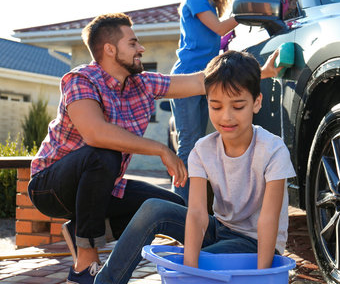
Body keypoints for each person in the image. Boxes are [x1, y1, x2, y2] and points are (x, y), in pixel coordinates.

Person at [27, 14, 280, 284]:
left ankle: (81, 229)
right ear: (110, 49)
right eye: (133, 43)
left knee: (171, 206)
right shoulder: (80, 80)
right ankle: (85, 261)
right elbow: (95, 133)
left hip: (99, 185)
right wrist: (161, 149)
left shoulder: (142, 84)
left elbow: (199, 82)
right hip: (51, 186)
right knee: (103, 153)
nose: (141, 49)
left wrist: (258, 73)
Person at [95, 50, 295, 284]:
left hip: (256, 243)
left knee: (203, 263)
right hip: (219, 230)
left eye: (238, 106)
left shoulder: (273, 150)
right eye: (216, 106)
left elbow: (268, 220)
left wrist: (263, 276)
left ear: (256, 103)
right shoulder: (202, 149)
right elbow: (198, 213)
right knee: (153, 209)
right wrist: (189, 269)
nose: (226, 117)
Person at [170, 0, 239, 204]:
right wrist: (248, 12)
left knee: (198, 146)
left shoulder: (210, 3)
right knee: (189, 145)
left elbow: (215, 35)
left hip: (205, 80)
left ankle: (195, 208)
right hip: (187, 78)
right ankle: (180, 210)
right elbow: (220, 27)